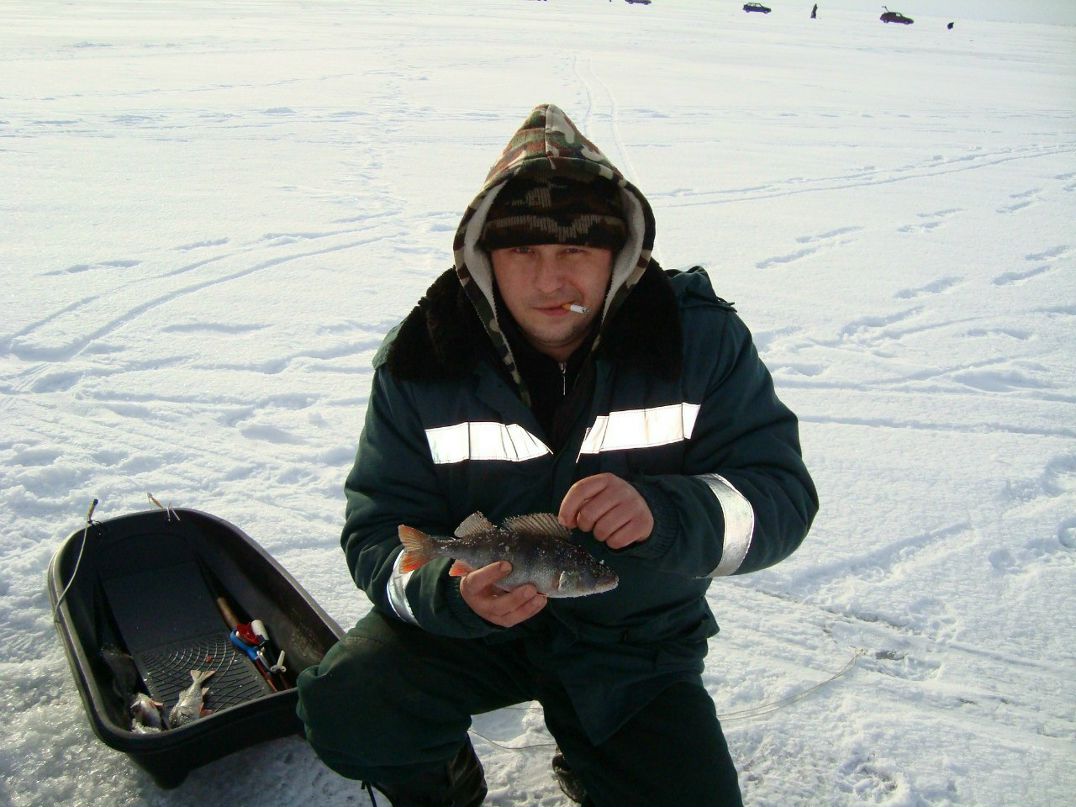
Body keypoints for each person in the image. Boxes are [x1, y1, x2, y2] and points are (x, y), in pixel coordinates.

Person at [296, 103, 818, 807]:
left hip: (632, 643)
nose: (551, 282)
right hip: (468, 634)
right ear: (484, 256)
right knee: (350, 706)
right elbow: (377, 532)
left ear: (620, 253)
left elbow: (779, 498)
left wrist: (667, 511)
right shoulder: (423, 359)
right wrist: (448, 591)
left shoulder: (698, 341)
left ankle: (597, 762)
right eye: (523, 252)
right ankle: (441, 778)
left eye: (576, 249)